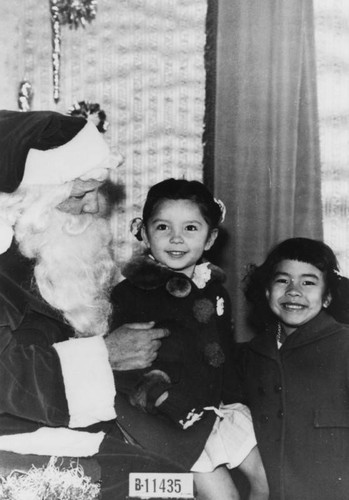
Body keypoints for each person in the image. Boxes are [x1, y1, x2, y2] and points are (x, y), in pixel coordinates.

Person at [0, 109, 180, 500]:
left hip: (54, 426)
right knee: (160, 488)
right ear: (33, 200)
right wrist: (105, 356)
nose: (96, 207)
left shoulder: (41, 250)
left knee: (174, 480)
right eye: (80, 194)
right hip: (12, 438)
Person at [111, 178, 269, 500]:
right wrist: (160, 399)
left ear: (210, 238)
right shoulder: (130, 294)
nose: (177, 238)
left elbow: (223, 351)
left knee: (266, 478)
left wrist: (235, 398)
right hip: (171, 416)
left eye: (191, 228)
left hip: (216, 406)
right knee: (224, 496)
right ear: (142, 232)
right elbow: (122, 365)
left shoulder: (214, 289)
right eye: (163, 227)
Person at [240, 237, 349, 500]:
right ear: (267, 292)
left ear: (327, 297)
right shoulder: (246, 355)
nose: (293, 291)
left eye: (308, 282)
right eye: (282, 280)